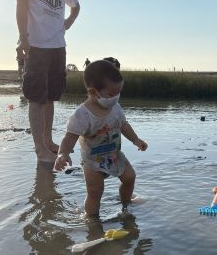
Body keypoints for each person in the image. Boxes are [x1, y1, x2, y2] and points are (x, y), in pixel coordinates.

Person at [54, 60, 148, 216]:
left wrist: (136, 140)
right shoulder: (82, 115)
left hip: (114, 155)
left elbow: (124, 125)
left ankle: (126, 205)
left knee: (130, 177)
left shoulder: (115, 108)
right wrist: (63, 153)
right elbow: (70, 138)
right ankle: (91, 220)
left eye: (118, 93)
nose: (115, 98)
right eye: (111, 94)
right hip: (92, 161)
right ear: (93, 92)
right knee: (95, 191)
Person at [15, 0, 80, 162]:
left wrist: (67, 23)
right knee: (36, 98)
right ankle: (40, 149)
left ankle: (48, 141)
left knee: (51, 97)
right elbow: (21, 4)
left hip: (58, 46)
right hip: (35, 44)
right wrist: (23, 38)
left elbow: (76, 7)